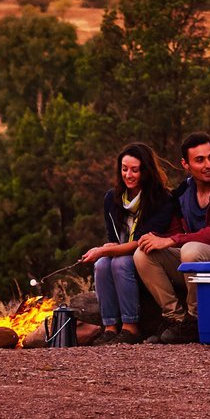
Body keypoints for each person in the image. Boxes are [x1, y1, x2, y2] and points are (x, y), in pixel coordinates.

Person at [134, 132, 210, 343]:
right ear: (185, 164)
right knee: (143, 254)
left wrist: (172, 241)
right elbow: (174, 230)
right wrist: (156, 238)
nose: (209, 164)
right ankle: (176, 319)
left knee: (190, 249)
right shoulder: (184, 192)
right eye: (199, 160)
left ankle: (196, 319)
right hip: (195, 263)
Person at [77, 143, 176, 343]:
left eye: (134, 170)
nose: (128, 175)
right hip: (120, 257)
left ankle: (131, 327)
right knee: (102, 264)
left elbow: (142, 241)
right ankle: (111, 327)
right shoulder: (111, 199)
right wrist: (107, 248)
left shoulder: (162, 199)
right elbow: (112, 237)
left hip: (146, 258)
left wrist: (103, 251)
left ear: (146, 171)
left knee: (119, 262)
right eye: (124, 169)